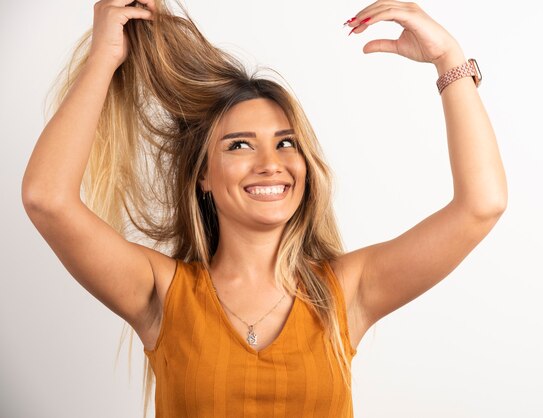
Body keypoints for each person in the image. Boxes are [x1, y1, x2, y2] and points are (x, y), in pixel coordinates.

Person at [21, 0, 507, 417]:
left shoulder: (347, 292)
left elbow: (481, 206)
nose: (271, 164)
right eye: (238, 146)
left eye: (286, 143)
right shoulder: (161, 293)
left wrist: (449, 59)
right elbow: (48, 199)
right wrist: (105, 58)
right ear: (203, 177)